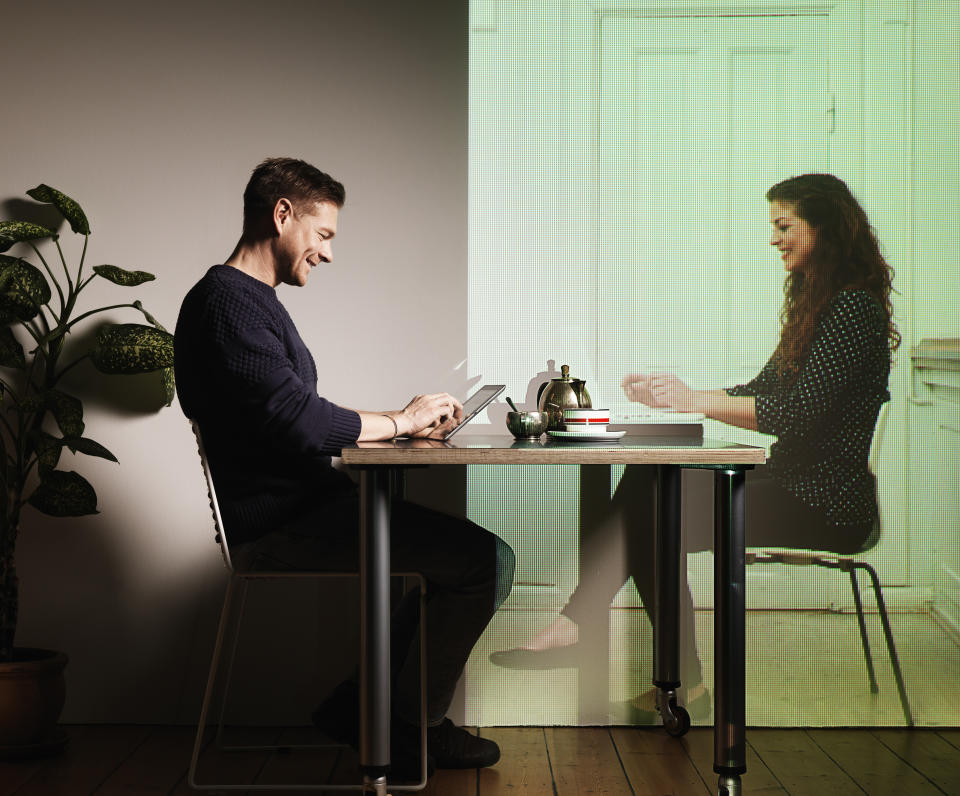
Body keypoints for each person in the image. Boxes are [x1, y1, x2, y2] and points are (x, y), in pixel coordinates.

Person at [491, 173, 900, 719]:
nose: (774, 239)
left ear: (823, 228)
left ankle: (613, 641)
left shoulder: (853, 310)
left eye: (784, 225)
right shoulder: (818, 303)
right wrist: (676, 396)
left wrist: (695, 399)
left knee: (657, 511)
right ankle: (651, 667)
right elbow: (765, 393)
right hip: (791, 481)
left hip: (827, 502)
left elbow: (794, 414)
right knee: (650, 482)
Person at [175, 157, 514, 777]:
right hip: (281, 526)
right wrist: (402, 422)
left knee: (454, 559)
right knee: (485, 561)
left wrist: (396, 420)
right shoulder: (228, 305)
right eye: (323, 234)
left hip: (305, 509)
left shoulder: (250, 301)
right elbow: (300, 423)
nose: (327, 254)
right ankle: (409, 728)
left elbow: (292, 411)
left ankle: (362, 708)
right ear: (282, 215)